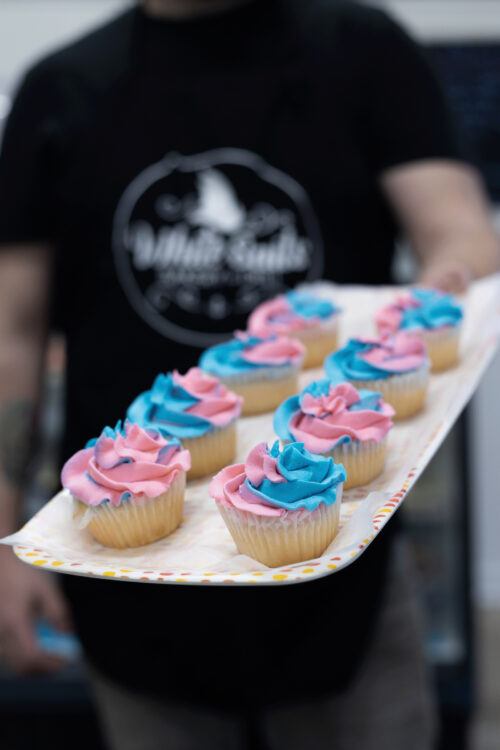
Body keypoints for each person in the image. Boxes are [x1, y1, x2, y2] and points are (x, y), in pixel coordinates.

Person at [0, 1, 498, 748]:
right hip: (127, 586)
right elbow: (12, 331)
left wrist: (447, 281)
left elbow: (458, 227)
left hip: (346, 580)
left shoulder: (364, 48)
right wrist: (4, 538)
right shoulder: (60, 87)